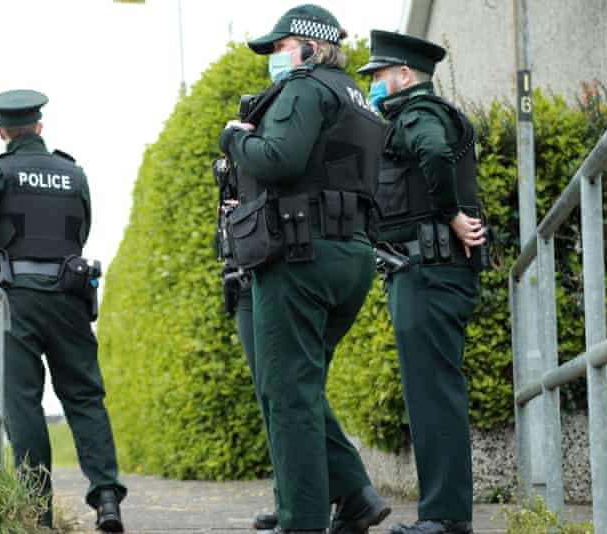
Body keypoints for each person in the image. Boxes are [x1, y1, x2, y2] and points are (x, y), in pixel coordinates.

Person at [218, 5, 391, 533]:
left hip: (300, 255)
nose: (275, 57)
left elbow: (279, 158)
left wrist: (233, 138)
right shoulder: (360, 101)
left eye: (280, 46)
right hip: (351, 257)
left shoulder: (303, 87)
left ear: (311, 48)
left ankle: (302, 523)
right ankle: (355, 496)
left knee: (288, 395)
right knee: (300, 386)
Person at [0, 89, 126, 532]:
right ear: (39, 126)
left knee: (24, 403)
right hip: (70, 292)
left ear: (1, 131)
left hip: (18, 299)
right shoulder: (73, 173)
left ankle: (37, 513)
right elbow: (82, 229)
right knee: (85, 395)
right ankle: (107, 497)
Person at [358, 30, 488, 534]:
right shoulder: (416, 114)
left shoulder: (419, 114)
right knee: (431, 390)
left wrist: (452, 214)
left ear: (404, 75)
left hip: (429, 270)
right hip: (423, 271)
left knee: (433, 393)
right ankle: (444, 513)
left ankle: (446, 517)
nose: (374, 85)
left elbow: (433, 155)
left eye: (378, 76)